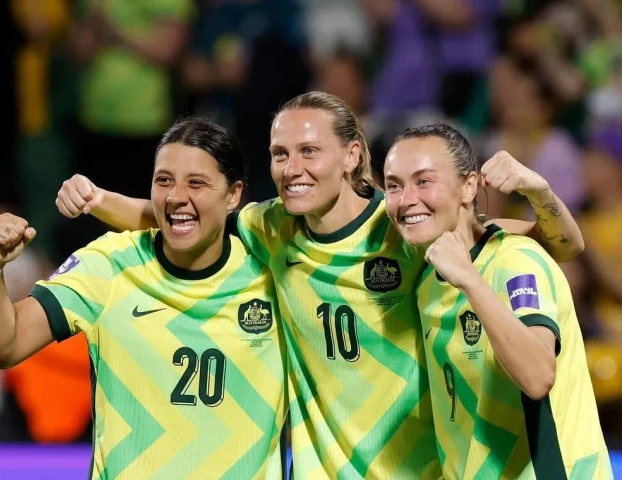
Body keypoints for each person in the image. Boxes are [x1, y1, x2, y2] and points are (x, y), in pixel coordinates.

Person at [56, 92, 584, 479]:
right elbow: (184, 216)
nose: (292, 168)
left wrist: (540, 193)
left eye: (309, 151)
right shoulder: (271, 227)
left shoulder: (403, 224)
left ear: (352, 156)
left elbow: (544, 244)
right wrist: (98, 200)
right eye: (280, 154)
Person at [0, 117, 286, 479]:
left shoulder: (275, 274)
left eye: (196, 183)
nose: (176, 196)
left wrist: (100, 200)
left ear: (234, 194)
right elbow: (3, 346)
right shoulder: (110, 264)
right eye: (164, 180)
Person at [383, 123, 612, 479]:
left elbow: (538, 377)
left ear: (469, 186)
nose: (406, 199)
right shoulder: (428, 276)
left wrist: (470, 281)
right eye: (394, 186)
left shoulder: (515, 260)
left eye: (424, 181)